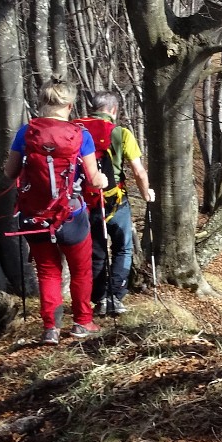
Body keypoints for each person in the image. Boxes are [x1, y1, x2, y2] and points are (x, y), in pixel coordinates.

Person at [3, 80, 109, 344]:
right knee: (80, 270)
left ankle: (51, 328)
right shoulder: (80, 135)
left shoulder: (26, 133)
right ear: (70, 105)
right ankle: (82, 322)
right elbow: (94, 179)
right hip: (71, 214)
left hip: (34, 215)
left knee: (48, 270)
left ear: (42, 103)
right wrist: (103, 180)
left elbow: (9, 173)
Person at [75, 91, 155, 316]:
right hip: (115, 199)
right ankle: (115, 297)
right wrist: (146, 193)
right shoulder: (121, 133)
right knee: (123, 247)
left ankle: (99, 299)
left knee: (97, 250)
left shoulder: (74, 130)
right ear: (113, 110)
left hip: (82, 201)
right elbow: (138, 171)